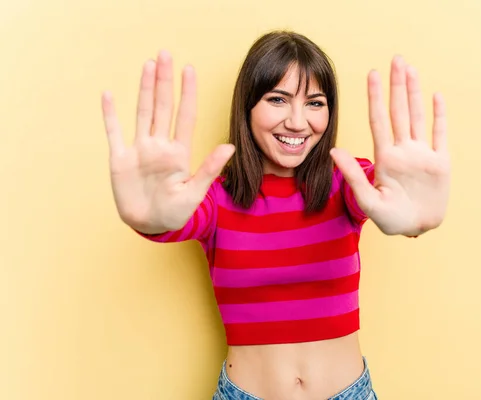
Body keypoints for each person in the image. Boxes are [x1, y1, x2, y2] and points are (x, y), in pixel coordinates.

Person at [100, 30, 450, 400]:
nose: (298, 122)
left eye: (315, 103)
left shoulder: (347, 183)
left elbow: (384, 198)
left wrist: (412, 215)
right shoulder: (216, 199)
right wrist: (149, 219)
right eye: (278, 99)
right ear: (248, 106)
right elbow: (170, 218)